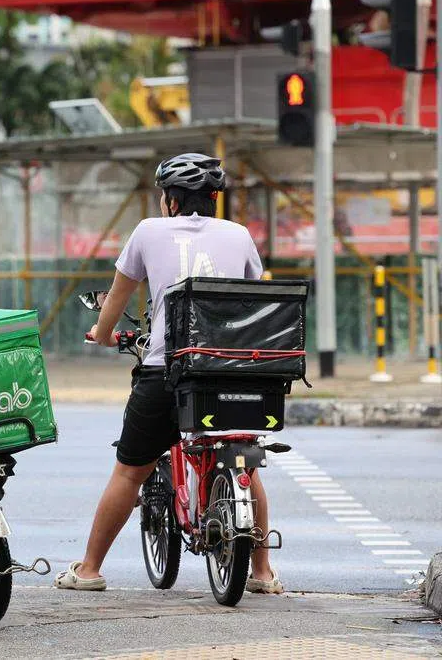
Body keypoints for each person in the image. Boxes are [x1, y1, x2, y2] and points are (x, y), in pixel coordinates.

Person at [54, 152, 283, 595]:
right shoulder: (239, 235)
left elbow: (118, 297)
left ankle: (89, 570)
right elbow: (255, 298)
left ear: (172, 201)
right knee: (244, 464)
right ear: (213, 199)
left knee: (129, 472)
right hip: (232, 372)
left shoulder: (147, 231)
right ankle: (261, 572)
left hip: (168, 370)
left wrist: (103, 334)